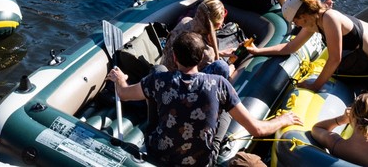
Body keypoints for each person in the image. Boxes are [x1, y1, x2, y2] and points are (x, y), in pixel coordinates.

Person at [106, 32, 301, 167]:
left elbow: (123, 94)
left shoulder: (159, 80)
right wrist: (284, 119)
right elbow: (257, 129)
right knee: (226, 107)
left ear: (174, 57)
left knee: (158, 70)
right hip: (200, 162)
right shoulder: (220, 85)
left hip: (159, 152)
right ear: (200, 59)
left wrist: (120, 79)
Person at [249, 0, 368, 94]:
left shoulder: (329, 18)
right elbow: (291, 47)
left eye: (296, 22)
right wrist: (258, 51)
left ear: (303, 17)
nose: (296, 26)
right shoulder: (314, 21)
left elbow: (335, 58)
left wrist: (315, 86)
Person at [159, 0, 232, 78]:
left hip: (163, 72)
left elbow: (185, 51)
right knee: (222, 67)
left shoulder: (185, 21)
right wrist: (230, 70)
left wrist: (220, 53)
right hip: (179, 85)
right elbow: (208, 80)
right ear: (218, 25)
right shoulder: (207, 51)